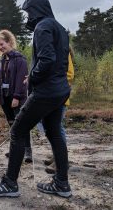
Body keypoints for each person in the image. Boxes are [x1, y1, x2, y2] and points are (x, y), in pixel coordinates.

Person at [0, 0, 72, 198]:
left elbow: (47, 59)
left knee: (17, 131)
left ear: (36, 10)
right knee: (54, 132)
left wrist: (32, 77)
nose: (27, 17)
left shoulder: (43, 27)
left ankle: (9, 184)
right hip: (60, 90)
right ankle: (62, 184)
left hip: (46, 91)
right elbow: (61, 61)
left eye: (28, 12)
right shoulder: (59, 28)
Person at [0, 29, 32, 163]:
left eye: (2, 44)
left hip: (16, 98)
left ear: (9, 42)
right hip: (5, 97)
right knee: (12, 124)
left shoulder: (20, 59)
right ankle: (15, 149)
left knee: (21, 125)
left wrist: (16, 97)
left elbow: (22, 79)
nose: (1, 47)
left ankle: (27, 151)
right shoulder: (1, 61)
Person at [44, 45, 75, 174]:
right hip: (50, 96)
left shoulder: (62, 51)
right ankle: (56, 154)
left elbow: (69, 75)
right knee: (52, 128)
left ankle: (61, 160)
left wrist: (53, 87)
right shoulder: (51, 51)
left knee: (57, 128)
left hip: (58, 97)